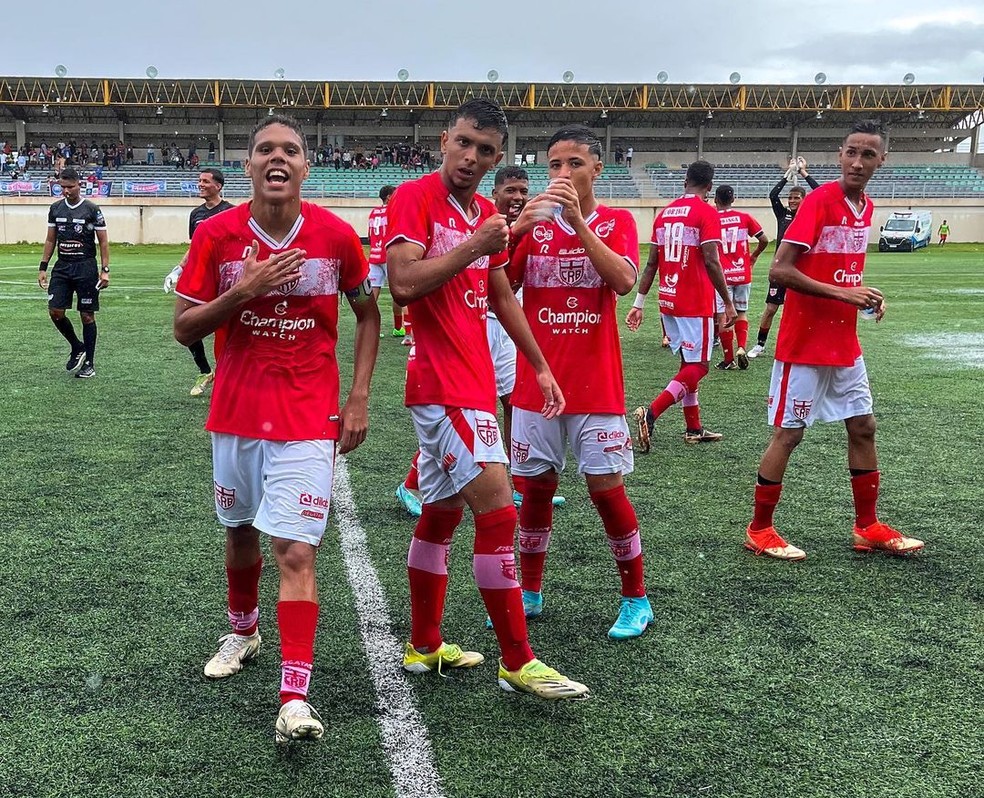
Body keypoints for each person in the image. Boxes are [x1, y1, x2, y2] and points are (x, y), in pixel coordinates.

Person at [172, 115, 381, 743]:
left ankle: (295, 695)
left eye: (290, 149)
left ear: (307, 166)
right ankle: (243, 630)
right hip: (234, 413)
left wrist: (360, 395)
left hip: (306, 417)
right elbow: (185, 329)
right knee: (238, 533)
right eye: (265, 149)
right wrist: (248, 289)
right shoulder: (216, 235)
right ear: (248, 165)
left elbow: (369, 315)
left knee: (294, 549)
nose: (277, 158)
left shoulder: (337, 236)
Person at [386, 98, 588, 700]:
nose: (471, 157)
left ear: (499, 157)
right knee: (500, 512)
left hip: (471, 380)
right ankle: (518, 660)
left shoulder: (480, 213)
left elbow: (501, 295)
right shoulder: (415, 199)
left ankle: (423, 646)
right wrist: (476, 244)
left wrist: (541, 366)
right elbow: (403, 283)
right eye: (464, 143)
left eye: (486, 151)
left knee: (442, 512)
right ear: (445, 139)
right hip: (445, 383)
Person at [744, 120, 924, 561]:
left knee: (863, 426)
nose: (857, 162)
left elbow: (842, 273)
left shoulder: (865, 208)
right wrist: (845, 293)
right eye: (851, 153)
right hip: (803, 345)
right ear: (839, 154)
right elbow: (780, 270)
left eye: (868, 155)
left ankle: (867, 526)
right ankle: (760, 529)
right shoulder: (819, 201)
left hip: (844, 342)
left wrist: (864, 299)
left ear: (883, 160)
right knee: (789, 435)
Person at [507, 126, 651, 638]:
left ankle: (636, 598)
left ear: (598, 169)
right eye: (554, 166)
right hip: (536, 384)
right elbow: (500, 284)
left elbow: (623, 280)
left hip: (596, 384)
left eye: (574, 164)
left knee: (606, 490)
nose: (563, 175)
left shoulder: (617, 221)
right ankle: (529, 591)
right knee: (536, 489)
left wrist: (578, 225)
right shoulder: (535, 224)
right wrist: (520, 228)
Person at [626, 161, 735, 451]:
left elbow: (651, 264)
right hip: (694, 300)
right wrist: (726, 301)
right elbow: (711, 260)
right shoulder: (707, 212)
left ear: (685, 181)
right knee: (699, 367)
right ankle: (651, 413)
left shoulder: (663, 215)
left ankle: (693, 428)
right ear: (709, 187)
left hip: (668, 298)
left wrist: (639, 303)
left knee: (687, 364)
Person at [163, 168, 235, 395]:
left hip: (225, 278)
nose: (200, 184)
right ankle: (205, 370)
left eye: (205, 181)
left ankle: (227, 378)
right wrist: (178, 269)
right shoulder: (196, 214)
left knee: (228, 331)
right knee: (188, 326)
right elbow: (195, 247)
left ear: (219, 186)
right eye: (199, 180)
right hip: (201, 278)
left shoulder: (233, 212)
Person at [37, 167, 110, 379]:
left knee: (87, 315)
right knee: (55, 312)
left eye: (70, 187)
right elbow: (51, 239)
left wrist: (105, 270)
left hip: (85, 267)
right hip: (62, 267)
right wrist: (43, 267)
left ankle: (89, 363)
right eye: (63, 187)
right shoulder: (55, 209)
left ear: (79, 184)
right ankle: (77, 346)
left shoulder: (91, 209)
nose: (66, 191)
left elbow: (103, 242)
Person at [747, 158, 820, 359]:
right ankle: (760, 344)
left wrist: (804, 173)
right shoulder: (783, 215)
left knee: (802, 310)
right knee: (771, 308)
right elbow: (773, 195)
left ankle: (804, 344)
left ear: (804, 200)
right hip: (781, 269)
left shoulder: (809, 214)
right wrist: (787, 174)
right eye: (791, 198)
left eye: (797, 198)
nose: (793, 201)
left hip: (802, 269)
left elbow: (821, 192)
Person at [712, 185, 769, 370]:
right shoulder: (744, 217)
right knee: (741, 312)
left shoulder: (711, 219)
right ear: (733, 199)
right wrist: (753, 256)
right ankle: (742, 348)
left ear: (715, 200)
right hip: (743, 273)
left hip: (722, 276)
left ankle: (728, 359)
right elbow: (764, 240)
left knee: (724, 315)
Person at [367, 185, 409, 340]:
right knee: (399, 293)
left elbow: (370, 235)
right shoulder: (393, 211)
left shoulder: (373, 213)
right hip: (389, 256)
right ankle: (399, 328)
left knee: (372, 296)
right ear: (389, 197)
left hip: (374, 256)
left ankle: (371, 329)